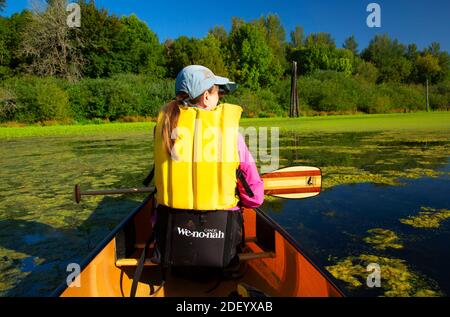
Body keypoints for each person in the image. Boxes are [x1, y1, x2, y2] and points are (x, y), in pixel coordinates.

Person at [152, 65, 264, 274]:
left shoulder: (163, 130)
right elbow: (255, 198)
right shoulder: (231, 136)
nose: (219, 99)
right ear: (205, 97)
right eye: (218, 93)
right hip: (221, 251)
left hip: (172, 247)